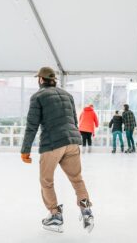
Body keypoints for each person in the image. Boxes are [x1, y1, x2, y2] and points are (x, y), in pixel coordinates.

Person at [20, 67, 94, 233]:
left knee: (46, 180)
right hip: (72, 141)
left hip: (52, 143)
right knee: (76, 178)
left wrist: (25, 149)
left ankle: (55, 215)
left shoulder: (38, 97)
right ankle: (86, 209)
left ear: (41, 79)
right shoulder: (67, 95)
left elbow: (32, 126)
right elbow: (74, 121)